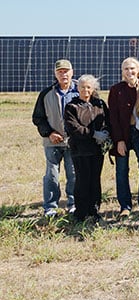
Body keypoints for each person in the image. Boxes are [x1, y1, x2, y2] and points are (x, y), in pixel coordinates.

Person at [32, 59, 78, 217]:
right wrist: (49, 133)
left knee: (73, 174)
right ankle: (50, 207)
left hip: (74, 143)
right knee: (51, 175)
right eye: (60, 71)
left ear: (72, 72)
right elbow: (38, 118)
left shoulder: (81, 90)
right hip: (52, 142)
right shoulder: (46, 94)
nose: (63, 74)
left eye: (66, 71)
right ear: (55, 73)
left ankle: (73, 204)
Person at [108, 57, 139, 217]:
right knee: (122, 170)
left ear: (138, 69)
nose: (129, 72)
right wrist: (118, 140)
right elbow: (113, 117)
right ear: (122, 72)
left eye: (132, 68)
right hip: (124, 133)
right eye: (126, 69)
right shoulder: (116, 89)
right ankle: (125, 206)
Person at [63, 75, 110, 223]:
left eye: (88, 87)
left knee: (95, 180)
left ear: (93, 88)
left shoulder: (100, 104)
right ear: (77, 88)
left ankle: (94, 210)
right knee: (82, 181)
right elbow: (74, 128)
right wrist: (93, 134)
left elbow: (107, 121)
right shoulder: (71, 106)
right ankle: (80, 212)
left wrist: (106, 133)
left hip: (97, 150)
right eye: (82, 87)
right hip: (80, 150)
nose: (85, 90)